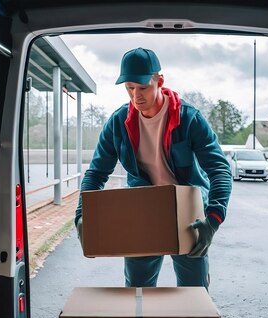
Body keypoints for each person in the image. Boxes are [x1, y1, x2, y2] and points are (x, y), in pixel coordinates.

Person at [74, 47, 232, 289]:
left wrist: (213, 219)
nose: (136, 96)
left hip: (187, 215)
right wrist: (82, 216)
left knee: (194, 294)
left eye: (142, 87)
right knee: (138, 292)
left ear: (159, 81)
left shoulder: (189, 118)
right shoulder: (118, 123)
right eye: (129, 88)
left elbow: (219, 169)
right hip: (143, 212)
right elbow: (96, 174)